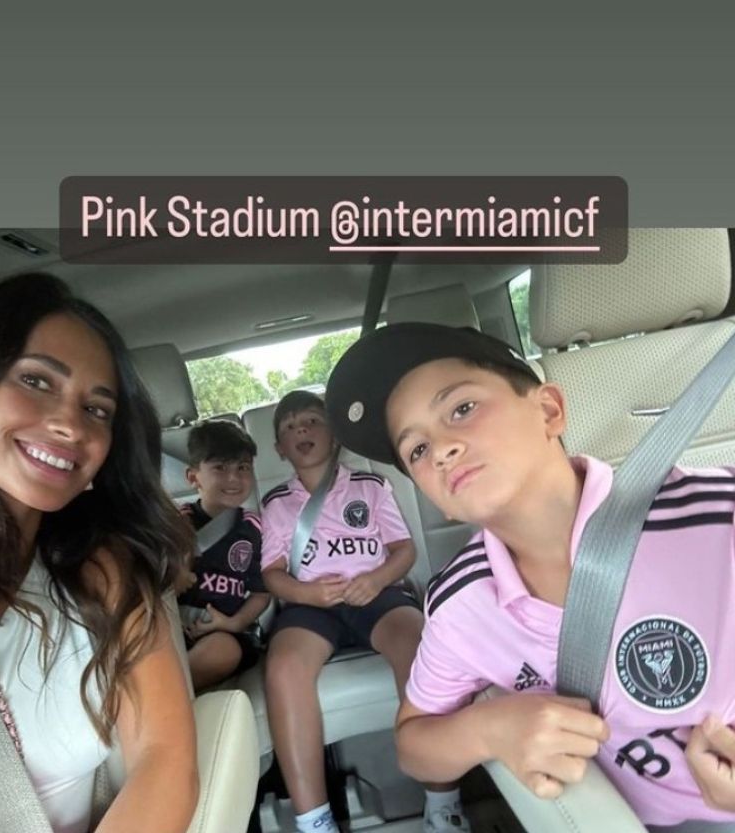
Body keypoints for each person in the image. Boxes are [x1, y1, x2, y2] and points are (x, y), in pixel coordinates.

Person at [326, 321, 735, 829]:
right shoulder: (463, 602)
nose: (443, 449)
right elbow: (414, 744)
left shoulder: (717, 519)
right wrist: (488, 730)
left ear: (548, 411)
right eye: (417, 452)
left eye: (462, 409)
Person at [0, 273, 198, 833]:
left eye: (98, 410)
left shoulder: (104, 570)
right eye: (35, 379)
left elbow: (164, 758)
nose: (68, 424)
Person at [260, 389, 469, 833]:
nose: (301, 429)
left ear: (335, 434)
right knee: (283, 668)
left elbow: (403, 550)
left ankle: (443, 802)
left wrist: (375, 580)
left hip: (376, 593)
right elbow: (273, 574)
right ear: (279, 448)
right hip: (310, 605)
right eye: (289, 426)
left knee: (417, 643)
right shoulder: (277, 504)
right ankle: (314, 820)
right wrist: (306, 594)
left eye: (312, 420)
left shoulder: (369, 486)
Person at [176, 419, 270, 693]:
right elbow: (154, 579)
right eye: (220, 468)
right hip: (175, 626)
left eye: (243, 468)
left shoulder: (255, 529)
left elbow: (261, 593)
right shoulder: (175, 522)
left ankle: (172, 695)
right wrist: (176, 573)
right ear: (193, 477)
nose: (233, 478)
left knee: (223, 651)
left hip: (228, 631)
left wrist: (233, 623)